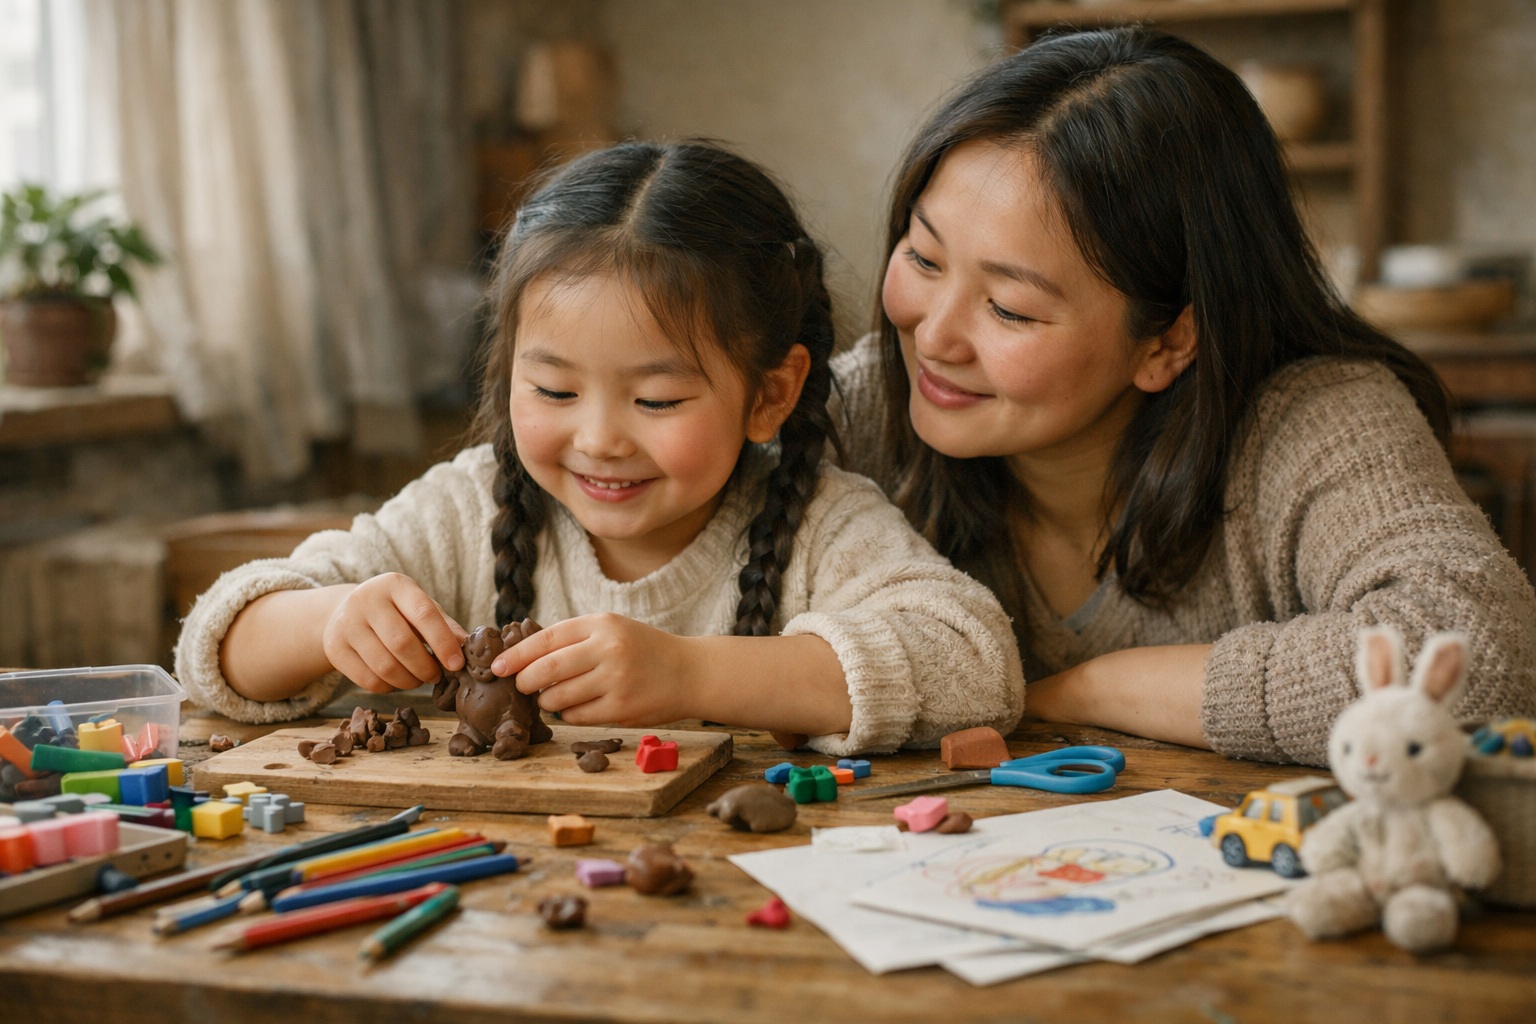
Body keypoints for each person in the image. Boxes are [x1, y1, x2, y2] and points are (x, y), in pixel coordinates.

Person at [175, 141, 1024, 756]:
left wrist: (691, 675)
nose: (599, 440)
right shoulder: (467, 510)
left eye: (656, 400)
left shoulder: (821, 523)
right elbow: (216, 651)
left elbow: (977, 667)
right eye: (554, 390)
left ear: (769, 394)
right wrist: (327, 621)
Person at [831, 27, 1536, 766]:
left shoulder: (1315, 419)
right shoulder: (869, 402)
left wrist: (1076, 691)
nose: (933, 336)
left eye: (1009, 309)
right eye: (923, 257)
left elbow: (1479, 654)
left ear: (1167, 341)